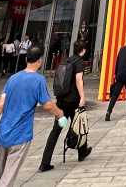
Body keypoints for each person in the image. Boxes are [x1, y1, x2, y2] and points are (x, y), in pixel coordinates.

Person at [0, 46, 66, 187]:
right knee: (7, 179)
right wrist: (60, 114)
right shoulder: (38, 80)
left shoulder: (13, 78)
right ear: (40, 61)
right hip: (20, 135)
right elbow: (47, 105)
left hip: (3, 134)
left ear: (26, 59)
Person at [40, 41, 91, 170]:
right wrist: (82, 97)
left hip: (61, 101)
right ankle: (81, 151)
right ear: (83, 50)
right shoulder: (79, 62)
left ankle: (45, 162)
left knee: (56, 130)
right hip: (73, 102)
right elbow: (79, 80)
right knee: (78, 125)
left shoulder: (66, 61)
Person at [105, 35, 126, 121]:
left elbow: (117, 62)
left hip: (119, 75)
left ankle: (108, 112)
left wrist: (115, 73)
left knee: (115, 95)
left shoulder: (121, 49)